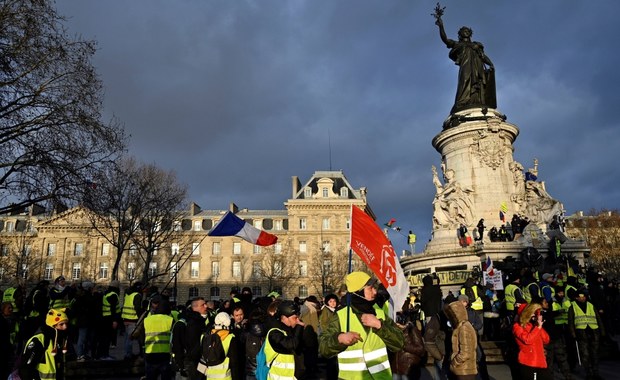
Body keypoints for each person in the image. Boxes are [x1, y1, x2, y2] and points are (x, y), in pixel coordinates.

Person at [319, 271, 404, 380]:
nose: (375, 292)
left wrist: (380, 326)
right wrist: (339, 339)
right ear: (358, 292)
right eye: (370, 288)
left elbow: (399, 343)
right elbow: (323, 348)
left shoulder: (380, 312)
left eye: (375, 288)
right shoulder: (341, 315)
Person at [435, 15, 495, 114]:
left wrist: (491, 64)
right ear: (460, 34)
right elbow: (445, 39)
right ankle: (463, 102)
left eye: (467, 30)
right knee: (465, 81)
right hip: (466, 66)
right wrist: (441, 26)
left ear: (470, 33)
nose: (466, 31)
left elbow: (483, 56)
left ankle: (477, 101)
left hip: (477, 66)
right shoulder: (458, 44)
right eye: (464, 31)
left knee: (478, 84)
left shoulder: (476, 45)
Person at [18, 308, 71, 380]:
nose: (65, 327)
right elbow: (26, 368)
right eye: (61, 324)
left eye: (66, 323)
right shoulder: (39, 340)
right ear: (53, 325)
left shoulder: (64, 339)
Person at [568, 291, 605, 380]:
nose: (583, 298)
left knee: (595, 354)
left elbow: (598, 318)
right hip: (581, 333)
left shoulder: (590, 305)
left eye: (584, 296)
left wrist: (602, 331)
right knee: (585, 354)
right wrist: (573, 333)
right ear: (576, 298)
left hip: (593, 331)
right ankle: (589, 373)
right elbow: (571, 321)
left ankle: (596, 373)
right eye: (580, 297)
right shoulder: (572, 306)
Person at [265, 300, 306, 380]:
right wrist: (299, 327)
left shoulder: (289, 330)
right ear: (284, 317)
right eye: (295, 318)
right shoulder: (274, 333)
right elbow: (291, 345)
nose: (298, 320)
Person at [171, 297, 209, 380]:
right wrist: (181, 364)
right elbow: (178, 345)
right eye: (203, 305)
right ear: (194, 308)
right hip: (191, 361)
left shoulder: (206, 319)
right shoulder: (188, 323)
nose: (206, 306)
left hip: (203, 361)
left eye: (205, 304)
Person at [512, 303, 551, 380]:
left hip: (541, 362)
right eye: (533, 313)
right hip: (529, 363)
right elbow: (528, 340)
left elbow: (546, 339)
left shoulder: (534, 326)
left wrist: (539, 326)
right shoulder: (517, 327)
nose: (534, 315)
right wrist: (538, 327)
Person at [444, 300, 477, 380]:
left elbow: (465, 353)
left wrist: (454, 363)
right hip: (463, 369)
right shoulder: (462, 326)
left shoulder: (464, 328)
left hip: (464, 371)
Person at [203, 312, 241, 380]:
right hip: (226, 377)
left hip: (210, 377)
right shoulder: (230, 338)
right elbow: (234, 364)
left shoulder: (206, 337)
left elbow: (203, 360)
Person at [144, 300, 174, 380]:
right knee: (166, 376)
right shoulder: (170, 319)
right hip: (165, 353)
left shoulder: (147, 320)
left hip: (150, 352)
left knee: (150, 376)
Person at [122, 281, 144, 360]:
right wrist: (141, 317)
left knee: (127, 339)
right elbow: (137, 308)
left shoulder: (128, 294)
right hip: (133, 318)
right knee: (131, 338)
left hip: (126, 318)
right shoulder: (137, 295)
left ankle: (128, 353)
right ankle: (128, 355)